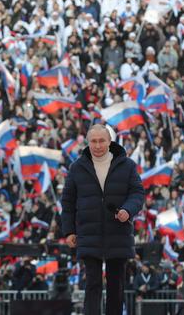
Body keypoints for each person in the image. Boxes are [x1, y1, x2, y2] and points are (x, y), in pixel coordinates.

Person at [61, 124, 145, 315]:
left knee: (116, 285)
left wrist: (128, 210)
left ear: (110, 142)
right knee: (92, 284)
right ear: (88, 142)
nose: (97, 145)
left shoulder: (127, 165)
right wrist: (69, 231)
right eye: (94, 141)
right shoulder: (77, 167)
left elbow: (137, 193)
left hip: (118, 233)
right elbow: (67, 201)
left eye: (101, 141)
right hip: (88, 234)